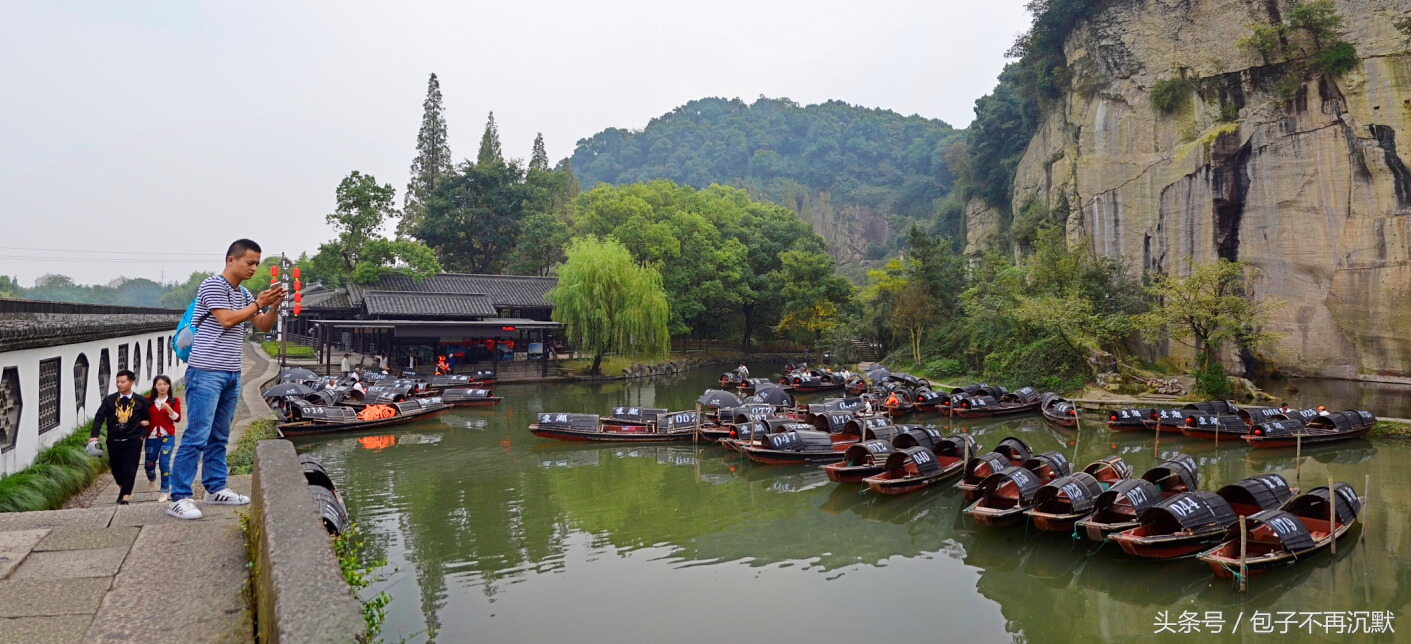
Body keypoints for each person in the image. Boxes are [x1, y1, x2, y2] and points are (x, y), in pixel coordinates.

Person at [167, 239, 284, 520]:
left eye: (257, 263)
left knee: (220, 435)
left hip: (232, 372)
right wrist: (258, 302)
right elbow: (227, 321)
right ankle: (179, 496)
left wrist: (274, 306)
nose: (254, 268)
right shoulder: (212, 285)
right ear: (231, 260)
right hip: (206, 371)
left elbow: (263, 325)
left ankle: (215, 487)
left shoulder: (243, 293)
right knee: (196, 435)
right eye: (250, 262)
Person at [89, 370, 150, 505]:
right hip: (114, 440)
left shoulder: (140, 401)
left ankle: (126, 497)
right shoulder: (110, 400)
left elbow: (146, 419)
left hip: (133, 440)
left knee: (130, 468)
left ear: (132, 382)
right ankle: (123, 490)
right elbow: (99, 417)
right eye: (117, 382)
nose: (119, 384)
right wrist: (94, 436)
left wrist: (141, 436)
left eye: (123, 382)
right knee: (116, 469)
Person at [145, 375, 182, 500]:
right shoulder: (148, 400)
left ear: (169, 386)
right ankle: (152, 479)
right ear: (155, 386)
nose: (162, 387)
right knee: (149, 464)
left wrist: (168, 409)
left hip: (167, 436)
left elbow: (177, 418)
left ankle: (164, 490)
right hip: (151, 437)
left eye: (165, 384)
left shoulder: (173, 400)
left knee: (164, 463)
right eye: (159, 384)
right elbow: (142, 416)